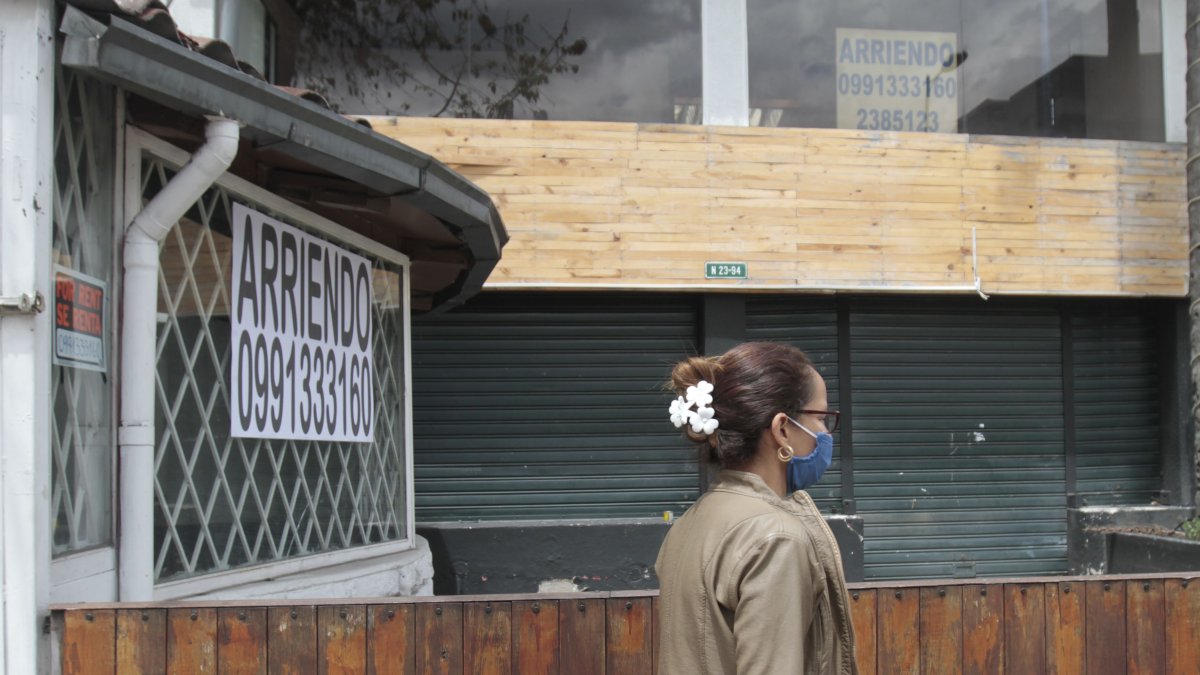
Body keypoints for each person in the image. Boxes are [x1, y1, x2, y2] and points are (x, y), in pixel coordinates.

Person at [655, 341, 858, 675]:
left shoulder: (694, 519)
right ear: (781, 429)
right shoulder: (775, 538)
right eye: (821, 418)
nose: (825, 433)